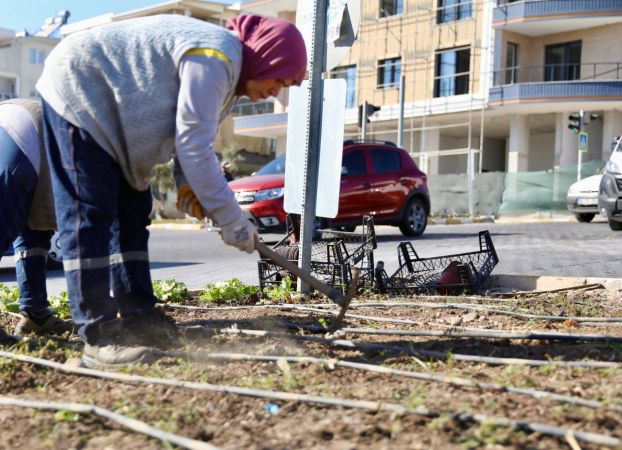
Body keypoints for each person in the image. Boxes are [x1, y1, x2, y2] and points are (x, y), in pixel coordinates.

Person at [36, 14, 307, 369]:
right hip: (81, 89)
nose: (276, 91)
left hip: (114, 120)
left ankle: (139, 317)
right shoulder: (216, 57)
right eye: (279, 78)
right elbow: (194, 146)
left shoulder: (225, 74)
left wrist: (186, 187)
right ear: (266, 55)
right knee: (89, 217)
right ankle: (97, 337)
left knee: (132, 215)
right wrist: (233, 220)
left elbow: (188, 138)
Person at [0, 99, 74, 342]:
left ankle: (36, 315)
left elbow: (35, 227)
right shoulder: (76, 136)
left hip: (14, 125)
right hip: (23, 137)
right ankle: (36, 313)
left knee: (33, 229)